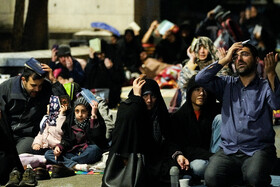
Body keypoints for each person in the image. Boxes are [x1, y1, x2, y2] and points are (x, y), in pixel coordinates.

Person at [195, 42, 280, 186]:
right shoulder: (227, 83)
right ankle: (239, 177)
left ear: (256, 59)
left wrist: (271, 73)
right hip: (229, 150)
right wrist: (225, 59)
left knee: (254, 176)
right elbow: (200, 79)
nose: (239, 59)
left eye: (245, 54)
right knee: (211, 176)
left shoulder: (264, 86)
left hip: (258, 150)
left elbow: (277, 105)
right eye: (236, 56)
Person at [102, 78, 173, 186]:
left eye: (153, 96)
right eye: (145, 96)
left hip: (153, 162)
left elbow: (169, 139)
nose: (149, 100)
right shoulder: (127, 109)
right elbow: (129, 120)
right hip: (129, 162)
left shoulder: (160, 114)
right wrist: (136, 98)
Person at [0, 58, 66, 154]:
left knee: (21, 158)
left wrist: (53, 80)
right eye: (33, 85)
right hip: (6, 134)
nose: (37, 89)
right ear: (23, 80)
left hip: (28, 137)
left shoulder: (46, 87)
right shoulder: (6, 88)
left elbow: (65, 104)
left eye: (40, 85)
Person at [169, 75, 221, 185]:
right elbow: (184, 146)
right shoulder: (180, 116)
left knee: (220, 119)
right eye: (197, 90)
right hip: (198, 158)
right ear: (190, 92)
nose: (201, 93)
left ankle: (219, 166)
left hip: (216, 154)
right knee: (198, 167)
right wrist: (210, 157)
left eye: (205, 90)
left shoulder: (214, 110)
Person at [44, 96, 108, 175]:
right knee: (48, 154)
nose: (80, 115)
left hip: (87, 152)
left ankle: (67, 163)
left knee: (95, 150)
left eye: (83, 111)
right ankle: (76, 166)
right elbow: (66, 140)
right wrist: (59, 147)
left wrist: (93, 116)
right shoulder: (71, 122)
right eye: (77, 111)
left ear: (88, 111)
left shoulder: (93, 121)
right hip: (74, 152)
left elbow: (97, 138)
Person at [178, 36, 230, 105]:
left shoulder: (216, 65)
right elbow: (182, 83)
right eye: (199, 48)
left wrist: (224, 63)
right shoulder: (190, 65)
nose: (202, 51)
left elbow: (222, 84)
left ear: (210, 48)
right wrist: (191, 60)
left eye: (205, 48)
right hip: (190, 106)